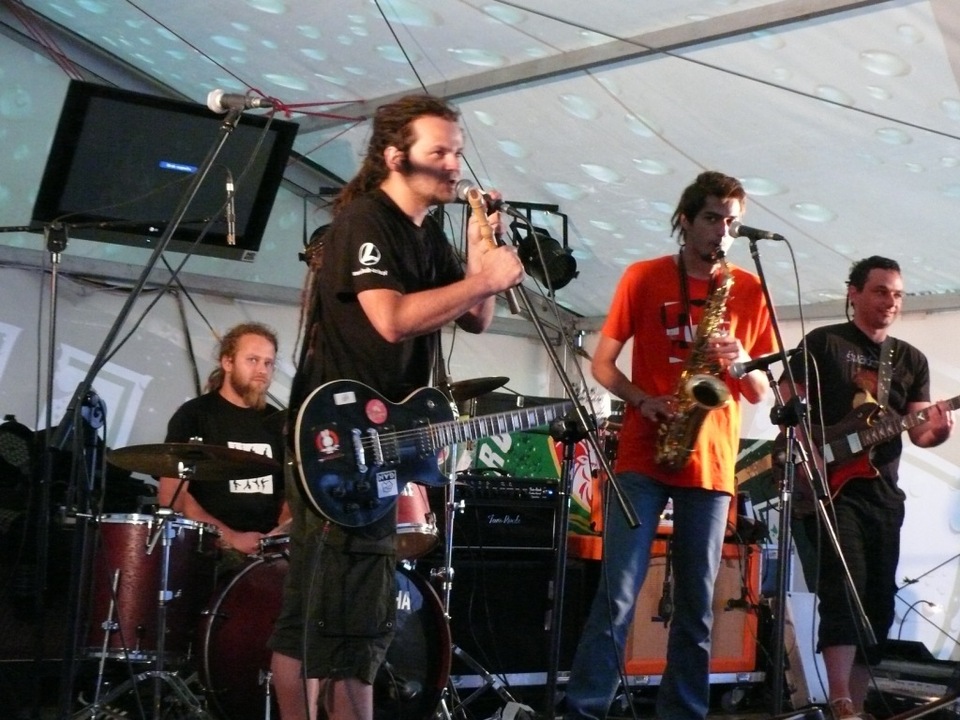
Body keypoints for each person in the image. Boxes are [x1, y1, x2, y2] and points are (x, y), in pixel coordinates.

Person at [267, 94, 524, 720]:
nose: (454, 165)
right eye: (439, 152)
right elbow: (390, 319)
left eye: (457, 153)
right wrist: (485, 279)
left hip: (380, 444)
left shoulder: (426, 231)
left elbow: (476, 317)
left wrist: (479, 249)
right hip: (337, 443)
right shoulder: (366, 221)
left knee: (337, 617)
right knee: (339, 620)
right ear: (394, 156)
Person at [564, 171, 777, 720]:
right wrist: (643, 401)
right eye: (712, 218)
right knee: (618, 594)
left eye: (732, 222)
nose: (722, 231)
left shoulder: (749, 290)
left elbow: (760, 391)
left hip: (711, 462)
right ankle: (585, 707)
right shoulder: (644, 277)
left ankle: (682, 712)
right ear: (685, 219)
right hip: (644, 453)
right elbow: (602, 364)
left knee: (697, 605)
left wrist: (740, 360)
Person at [780, 256, 953, 720]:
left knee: (876, 601)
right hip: (833, 491)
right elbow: (788, 400)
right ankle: (839, 700)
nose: (890, 302)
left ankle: (854, 707)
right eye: (880, 291)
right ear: (853, 293)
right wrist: (809, 452)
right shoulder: (823, 343)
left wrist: (939, 428)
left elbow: (920, 432)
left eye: (897, 294)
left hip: (883, 493)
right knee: (844, 589)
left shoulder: (910, 359)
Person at [158, 322, 290, 557]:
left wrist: (275, 538)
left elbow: (289, 496)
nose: (262, 370)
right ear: (227, 362)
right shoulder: (195, 415)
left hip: (268, 552)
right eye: (253, 360)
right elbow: (173, 496)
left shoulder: (278, 421)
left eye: (268, 363)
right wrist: (231, 537)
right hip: (210, 549)